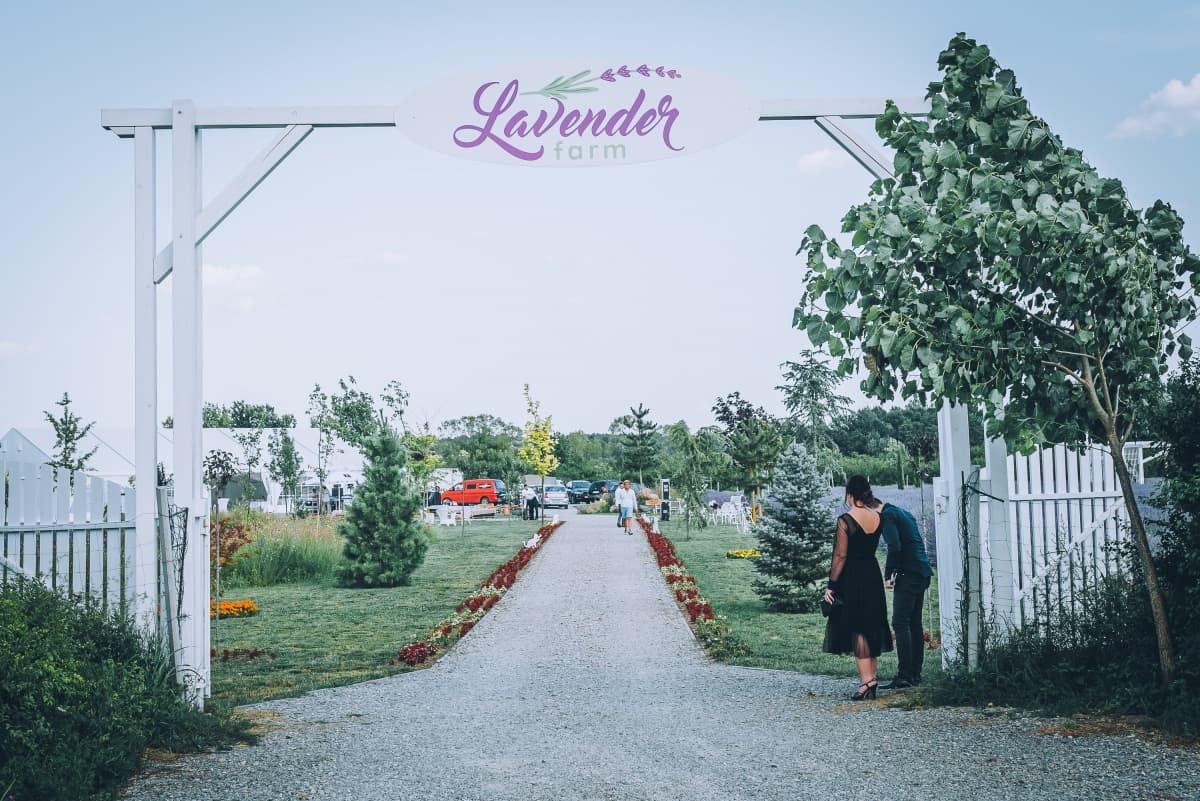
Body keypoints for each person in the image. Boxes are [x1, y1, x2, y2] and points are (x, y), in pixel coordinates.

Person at [822, 474, 893, 700]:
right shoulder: (878, 517)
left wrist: (831, 585)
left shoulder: (845, 520)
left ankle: (866, 681)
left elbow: (840, 555)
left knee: (858, 627)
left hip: (853, 575)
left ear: (850, 494)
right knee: (872, 622)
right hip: (872, 572)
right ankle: (871, 677)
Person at [874, 496, 933, 689]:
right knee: (914, 623)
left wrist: (888, 574)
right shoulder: (904, 513)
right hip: (922, 571)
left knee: (900, 622)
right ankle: (915, 674)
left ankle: (904, 675)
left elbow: (894, 546)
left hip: (908, 574)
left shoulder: (887, 515)